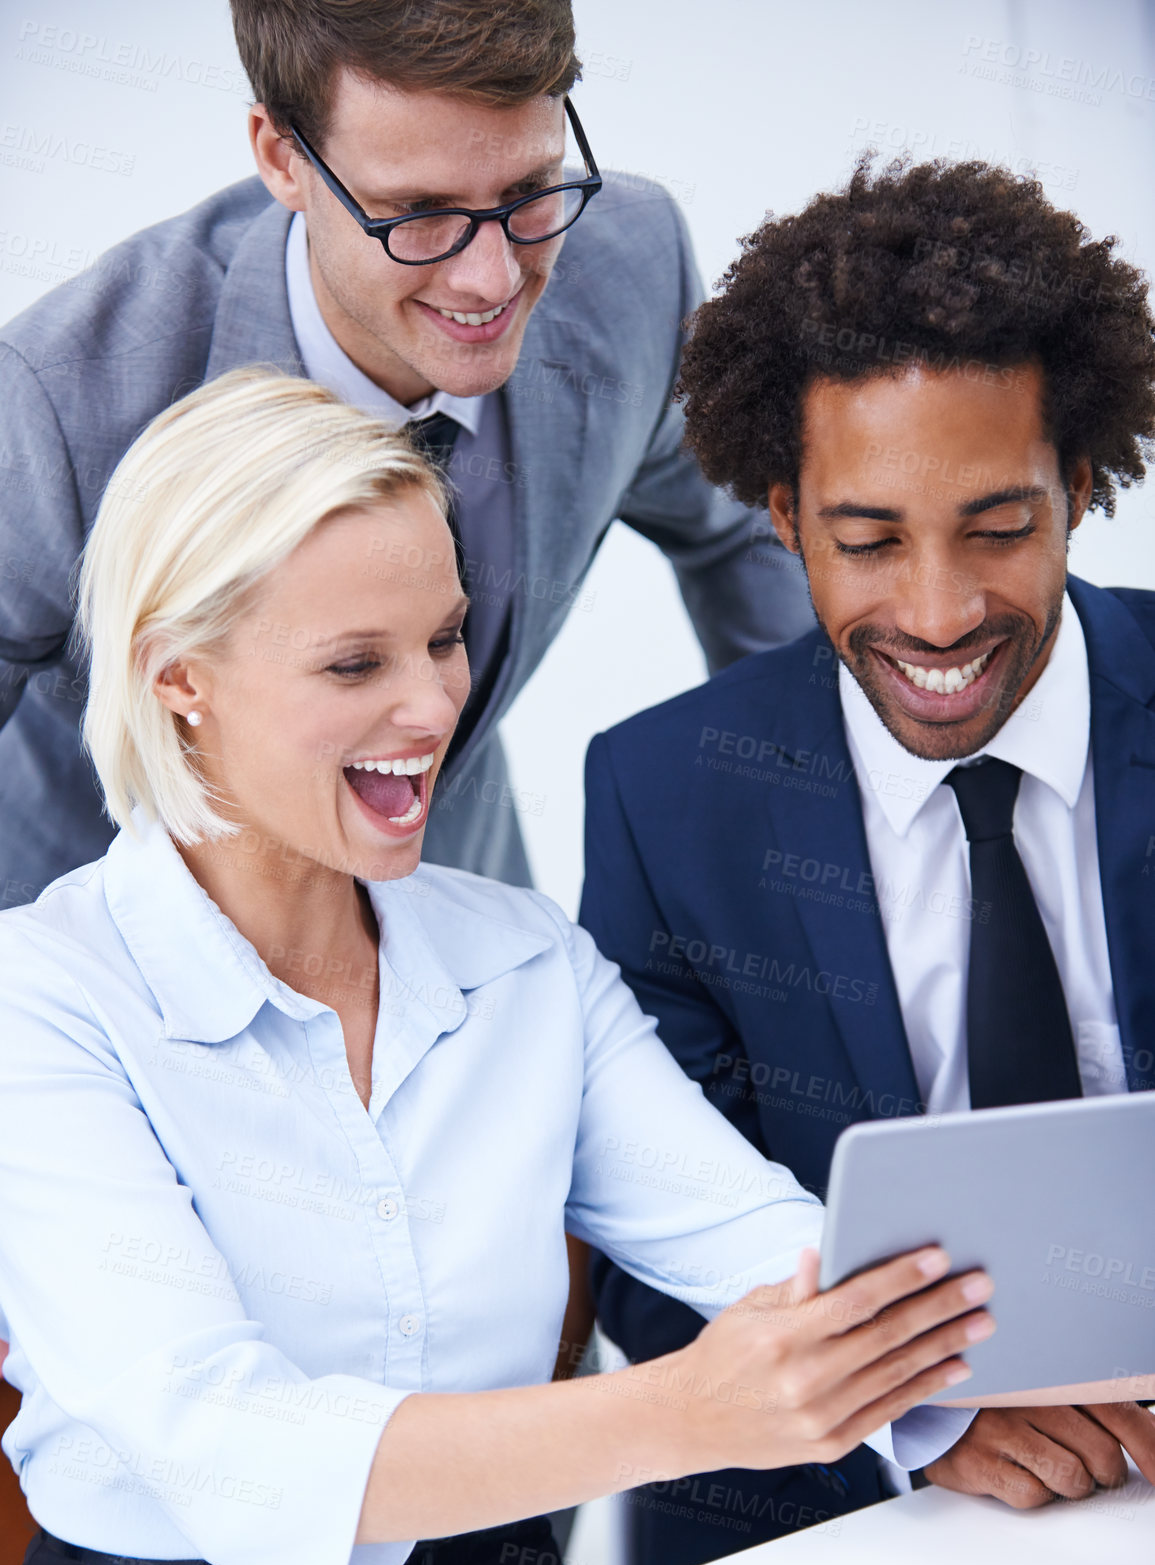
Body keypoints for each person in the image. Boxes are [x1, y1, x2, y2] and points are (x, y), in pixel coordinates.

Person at [0, 368, 984, 1565]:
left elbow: (753, 1232)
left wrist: (959, 1378)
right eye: (355, 663)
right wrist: (685, 1413)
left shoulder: (523, 957)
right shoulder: (38, 999)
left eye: (444, 639)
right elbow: (219, 1435)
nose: (429, 706)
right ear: (181, 679)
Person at [579, 156, 1155, 1565]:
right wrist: (915, 1413)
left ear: (1077, 485)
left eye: (997, 525)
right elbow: (647, 1262)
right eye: (865, 539)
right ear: (780, 516)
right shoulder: (663, 793)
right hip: (839, 1532)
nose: (939, 611)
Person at [0, 0, 812, 914]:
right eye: (417, 214)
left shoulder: (629, 265)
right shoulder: (60, 393)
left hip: (451, 923)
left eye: (528, 189)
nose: (493, 279)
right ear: (282, 156)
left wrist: (797, 814)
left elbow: (740, 522)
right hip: (107, 956)